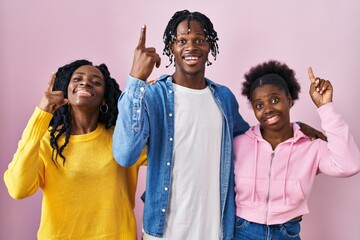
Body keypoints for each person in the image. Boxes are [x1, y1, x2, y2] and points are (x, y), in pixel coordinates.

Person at [112, 10, 250, 240]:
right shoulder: (152, 96)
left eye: (199, 40)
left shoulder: (223, 98)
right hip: (164, 232)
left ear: (210, 46)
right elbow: (125, 154)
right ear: (170, 47)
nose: (191, 47)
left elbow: (250, 141)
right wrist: (136, 80)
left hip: (215, 231)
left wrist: (293, 129)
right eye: (182, 41)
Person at [4, 59, 146, 240]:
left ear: (105, 98)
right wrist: (41, 115)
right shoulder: (48, 141)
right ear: (65, 91)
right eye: (77, 79)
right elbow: (18, 189)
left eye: (96, 82)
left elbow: (171, 159)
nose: (85, 83)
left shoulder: (122, 138)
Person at [233, 60, 360, 240]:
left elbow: (350, 165)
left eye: (275, 100)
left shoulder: (311, 146)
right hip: (242, 231)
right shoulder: (239, 143)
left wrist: (325, 108)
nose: (267, 109)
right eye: (259, 105)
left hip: (287, 232)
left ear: (290, 100)